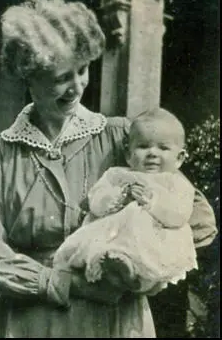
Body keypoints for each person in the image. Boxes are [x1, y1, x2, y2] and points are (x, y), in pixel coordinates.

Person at [0, 0, 217, 338]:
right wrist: (61, 282)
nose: (76, 86)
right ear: (29, 76)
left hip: (114, 319)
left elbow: (199, 219)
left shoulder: (120, 138)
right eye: (60, 76)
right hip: (33, 323)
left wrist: (152, 266)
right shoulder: (0, 156)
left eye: (82, 71)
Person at [53, 108, 198, 296]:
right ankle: (115, 268)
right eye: (143, 146)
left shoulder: (176, 184)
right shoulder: (118, 175)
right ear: (128, 153)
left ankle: (133, 278)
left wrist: (152, 203)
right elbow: (96, 201)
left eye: (163, 148)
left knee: (152, 265)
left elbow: (180, 214)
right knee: (98, 248)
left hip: (155, 240)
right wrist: (121, 196)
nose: (152, 153)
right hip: (114, 234)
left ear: (179, 158)